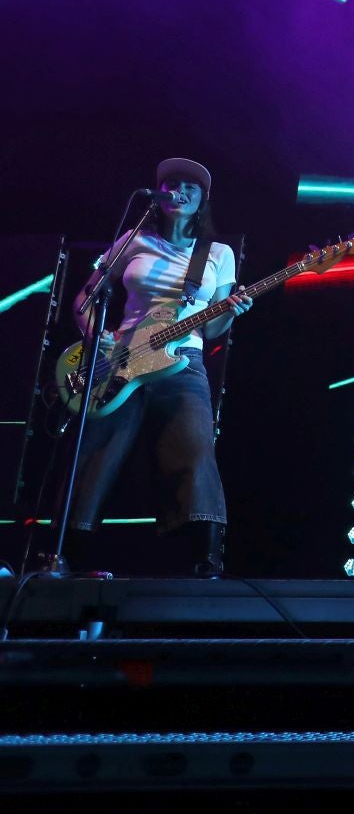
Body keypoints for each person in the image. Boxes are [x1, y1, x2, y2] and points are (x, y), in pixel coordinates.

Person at [63, 158, 251, 576]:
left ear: (203, 199)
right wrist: (99, 339)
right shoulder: (132, 240)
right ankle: (67, 556)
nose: (177, 191)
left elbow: (215, 327)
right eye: (170, 184)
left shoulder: (217, 254)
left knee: (194, 449)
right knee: (95, 455)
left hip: (182, 360)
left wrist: (233, 310)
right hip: (120, 363)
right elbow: (83, 301)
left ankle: (205, 560)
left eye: (189, 186)